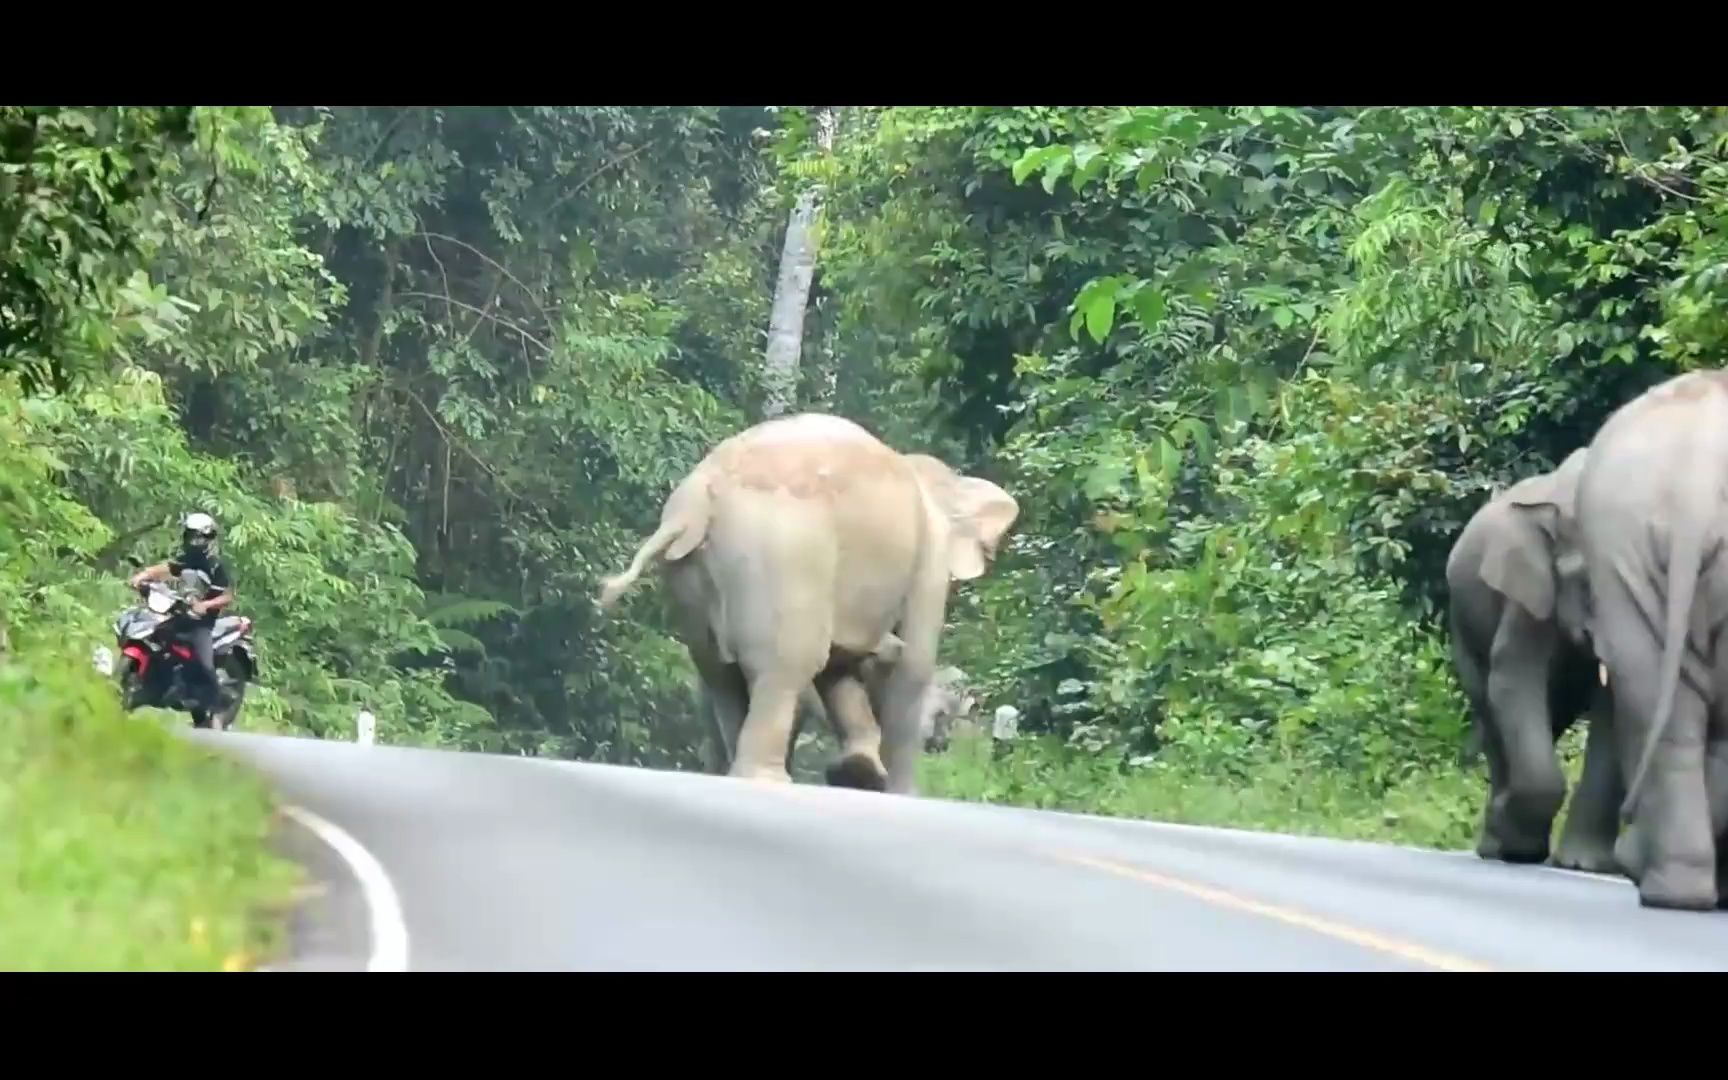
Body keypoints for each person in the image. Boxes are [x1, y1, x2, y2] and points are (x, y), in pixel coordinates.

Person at [129, 511, 234, 718]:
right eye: (190, 536)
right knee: (154, 637)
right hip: (181, 614)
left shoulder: (216, 564)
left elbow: (228, 596)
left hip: (202, 623)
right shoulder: (187, 558)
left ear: (209, 538)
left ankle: (214, 710)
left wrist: (206, 605)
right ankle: (151, 685)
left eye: (199, 537)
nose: (194, 541)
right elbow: (168, 567)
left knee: (204, 663)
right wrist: (144, 575)